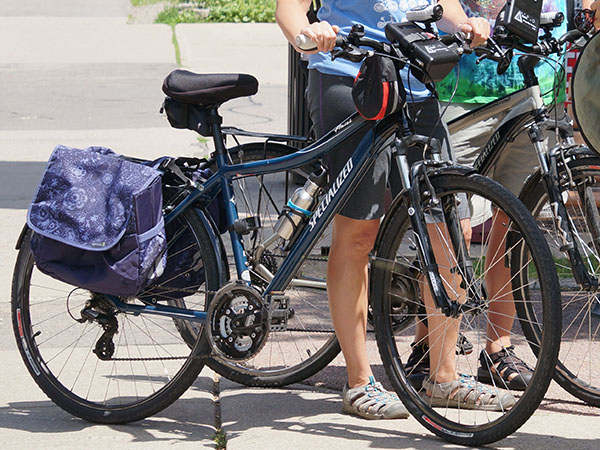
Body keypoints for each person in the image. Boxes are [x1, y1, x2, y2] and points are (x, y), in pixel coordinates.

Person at [275, 0, 515, 420]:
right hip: (350, 77)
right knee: (358, 233)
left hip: (417, 83)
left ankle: (443, 378)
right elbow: (290, 6)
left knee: (450, 228)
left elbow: (442, 7)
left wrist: (469, 25)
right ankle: (359, 381)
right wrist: (308, 35)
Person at [409, 0, 600, 392]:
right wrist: (463, 22)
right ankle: (426, 346)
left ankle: (497, 348)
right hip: (461, 85)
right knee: (447, 227)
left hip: (537, 85)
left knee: (516, 227)